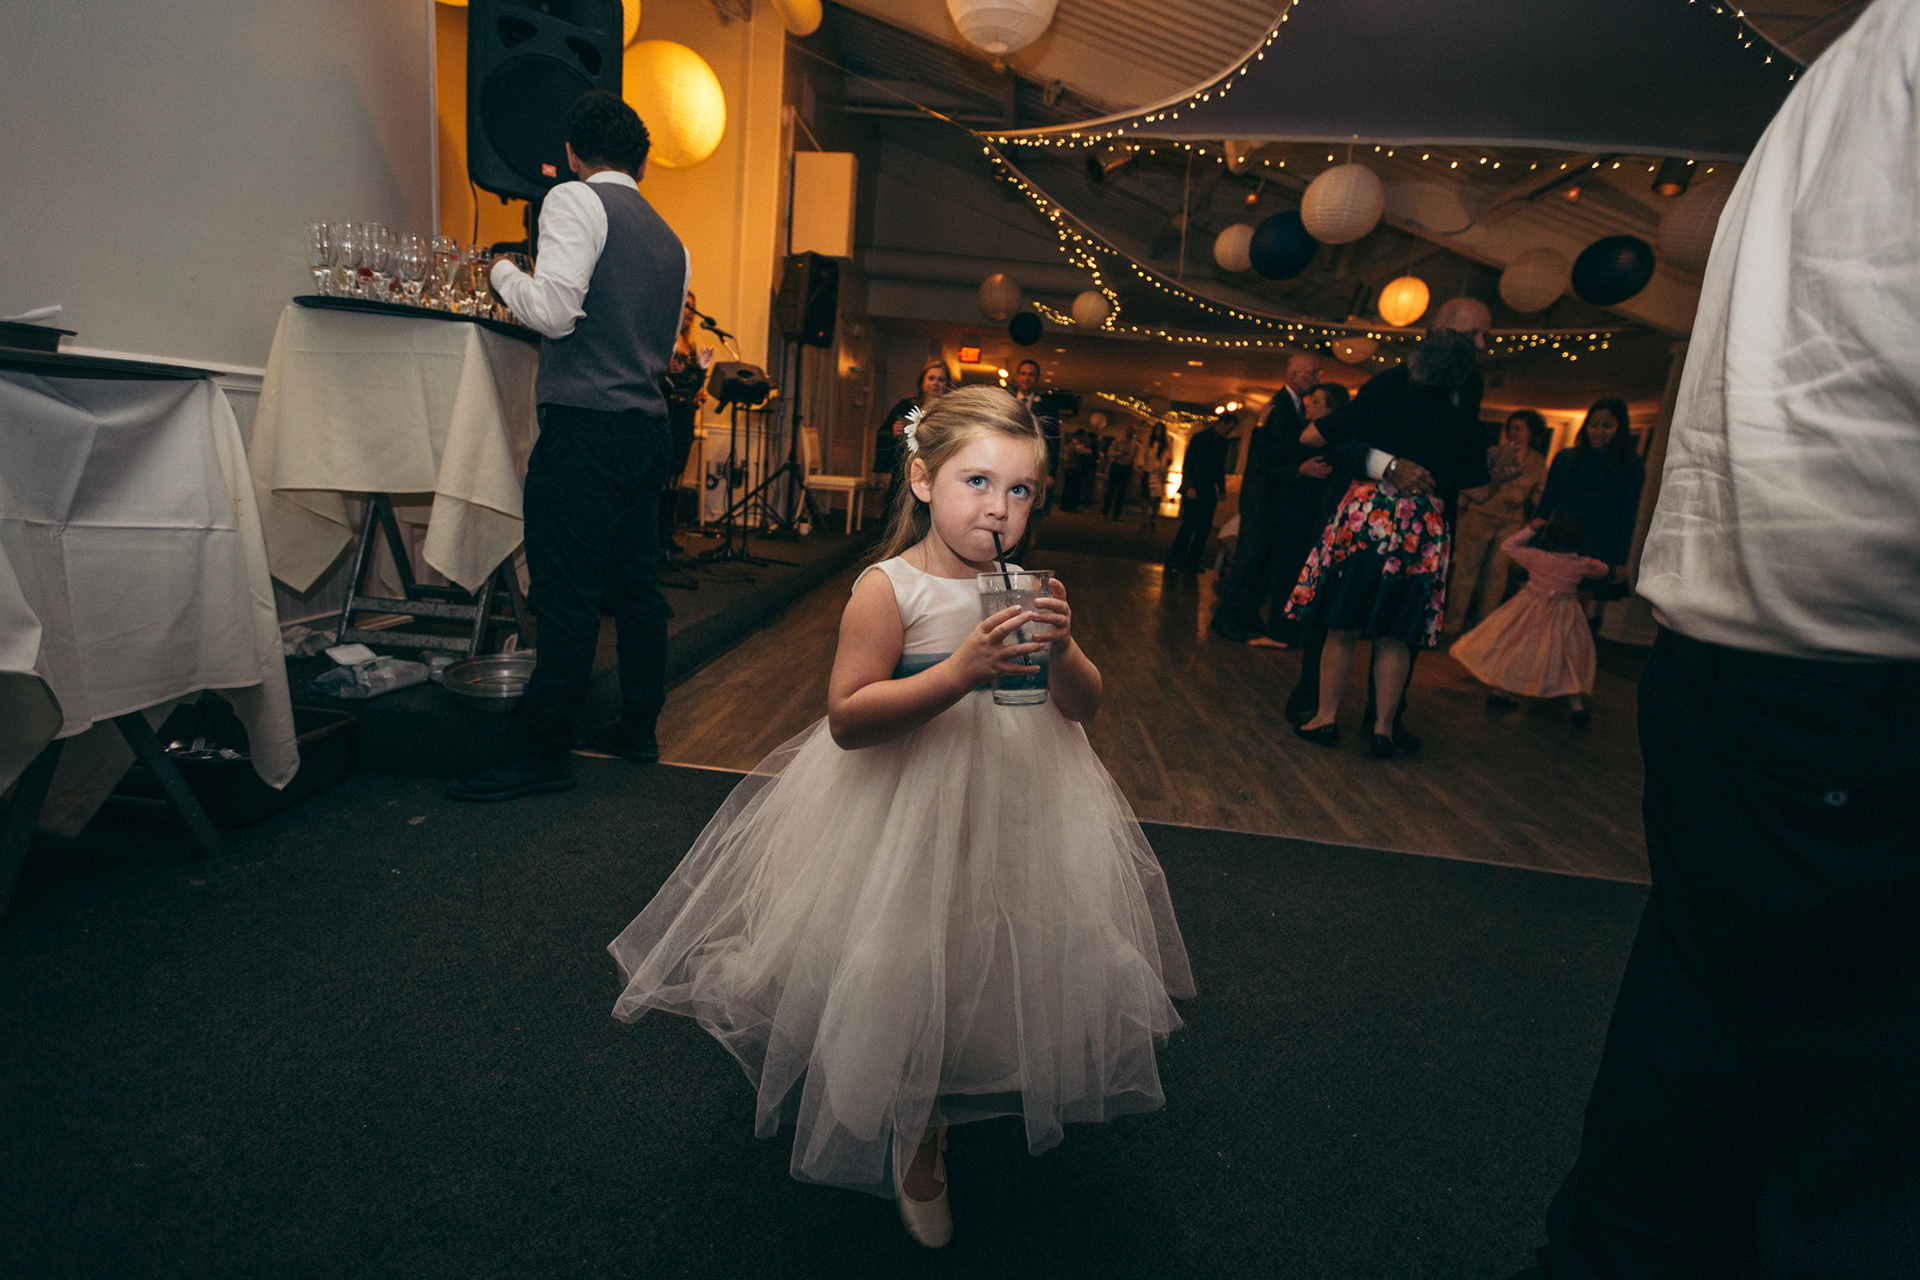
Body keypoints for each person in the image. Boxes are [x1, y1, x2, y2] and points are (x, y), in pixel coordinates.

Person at [1514, 4, 1920, 1275]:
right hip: (1868, 663)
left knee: (1694, 1083)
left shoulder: (1857, 59)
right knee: (1859, 1155)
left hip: (1745, 661)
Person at [606, 386, 1193, 1249]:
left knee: (986, 946)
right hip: (901, 807)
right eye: (976, 481)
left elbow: (1083, 707)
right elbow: (849, 719)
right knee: (903, 951)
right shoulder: (889, 589)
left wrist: (1063, 647)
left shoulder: (1024, 587)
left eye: (1021, 490)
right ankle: (914, 1122)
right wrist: (958, 672)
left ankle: (951, 1078)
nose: (999, 508)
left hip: (1015, 801)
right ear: (922, 480)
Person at [449, 91, 687, 801]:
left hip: (587, 429)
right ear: (641, 162)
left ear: (574, 153)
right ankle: (638, 727)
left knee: (566, 596)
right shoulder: (671, 241)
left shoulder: (575, 199)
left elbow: (555, 313)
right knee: (637, 590)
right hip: (647, 431)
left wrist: (500, 269)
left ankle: (544, 753)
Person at [1284, 299, 1501, 759]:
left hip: (1371, 518)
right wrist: (1386, 464)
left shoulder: (1458, 388)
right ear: (1440, 331)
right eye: (1474, 334)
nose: (1483, 344)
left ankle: (1346, 717)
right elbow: (1477, 485)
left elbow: (1315, 436)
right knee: (1390, 629)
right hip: (1420, 525)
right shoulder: (1392, 384)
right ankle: (1359, 719)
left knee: (1346, 620)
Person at [1446, 513, 1609, 726]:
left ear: (1549, 537)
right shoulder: (1581, 564)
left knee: (1518, 650)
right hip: (1564, 615)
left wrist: (1530, 529)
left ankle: (1501, 693)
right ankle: (1577, 707)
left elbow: (1508, 546)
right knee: (1565, 657)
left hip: (1529, 611)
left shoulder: (1535, 557)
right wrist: (1582, 556)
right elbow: (1603, 570)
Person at [1211, 353, 1321, 642]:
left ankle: (1246, 614)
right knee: (1249, 557)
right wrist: (1299, 469)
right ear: (1294, 374)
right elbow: (1268, 457)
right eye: (1312, 373)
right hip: (1262, 497)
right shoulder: (1280, 406)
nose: (1317, 378)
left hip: (1273, 498)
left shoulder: (1291, 406)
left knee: (1260, 561)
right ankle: (1225, 617)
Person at [1248, 380, 1350, 650]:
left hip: (1300, 516)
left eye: (1316, 402)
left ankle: (1281, 634)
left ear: (1331, 409)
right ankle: (1289, 633)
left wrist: (1261, 425)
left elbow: (1272, 453)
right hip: (1307, 516)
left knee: (1286, 573)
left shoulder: (1317, 439)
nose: (1309, 405)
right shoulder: (1331, 439)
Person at [1534, 398, 1644, 620]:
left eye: (1607, 426)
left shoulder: (1630, 466)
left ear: (1620, 428)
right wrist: (1534, 537)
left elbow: (1627, 514)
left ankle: (1570, 642)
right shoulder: (1565, 458)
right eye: (1593, 425)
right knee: (1544, 599)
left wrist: (1621, 561)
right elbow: (1547, 502)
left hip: (1598, 540)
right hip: (1562, 537)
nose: (1599, 432)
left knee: (1577, 606)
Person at [1444, 409, 1547, 633]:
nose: (1513, 432)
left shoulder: (1538, 463)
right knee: (1467, 570)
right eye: (1511, 428)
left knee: (1497, 574)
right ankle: (1453, 622)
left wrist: (1544, 516)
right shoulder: (1493, 452)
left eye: (1519, 428)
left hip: (1511, 521)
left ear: (1531, 432)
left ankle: (1485, 627)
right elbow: (1473, 482)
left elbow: (1540, 493)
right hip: (1481, 515)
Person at [657, 292, 714, 555]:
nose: (690, 311)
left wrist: (701, 371)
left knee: (677, 479)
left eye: (693, 307)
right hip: (667, 416)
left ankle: (667, 534)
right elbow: (661, 379)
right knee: (662, 478)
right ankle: (656, 538)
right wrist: (669, 370)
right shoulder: (666, 339)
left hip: (684, 419)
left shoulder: (690, 345)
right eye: (686, 306)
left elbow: (691, 388)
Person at [876, 361, 952, 513]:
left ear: (947, 384)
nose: (935, 383)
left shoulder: (950, 410)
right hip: (903, 470)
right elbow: (884, 432)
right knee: (896, 510)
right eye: (931, 378)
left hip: (934, 468)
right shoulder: (906, 406)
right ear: (923, 381)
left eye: (941, 379)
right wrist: (894, 431)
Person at [1164, 412, 1231, 572]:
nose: (1229, 432)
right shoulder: (1200, 438)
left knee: (1204, 529)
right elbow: (1189, 463)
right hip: (1196, 487)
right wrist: (1189, 486)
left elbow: (1219, 468)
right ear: (1221, 424)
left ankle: (1191, 562)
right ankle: (1175, 559)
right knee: (1188, 525)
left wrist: (1222, 488)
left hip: (1208, 489)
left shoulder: (1223, 442)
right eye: (1228, 428)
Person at [1136, 421, 1173, 531]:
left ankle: (1153, 520)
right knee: (1145, 497)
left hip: (1159, 474)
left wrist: (1168, 462)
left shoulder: (1166, 443)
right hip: (1148, 471)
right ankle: (1143, 519)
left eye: (1160, 429)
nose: (1158, 431)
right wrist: (1140, 467)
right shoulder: (1148, 441)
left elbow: (1169, 455)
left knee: (1157, 498)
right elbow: (1141, 454)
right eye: (1156, 429)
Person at [1102, 424, 1137, 519]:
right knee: (1110, 490)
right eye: (1129, 431)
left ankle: (1117, 513)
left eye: (1132, 432)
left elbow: (1136, 457)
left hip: (1126, 468)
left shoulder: (1135, 444)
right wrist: (1119, 453)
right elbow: (1110, 452)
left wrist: (1132, 461)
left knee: (1122, 491)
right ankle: (1105, 512)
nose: (1130, 433)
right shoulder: (1119, 440)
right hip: (1116, 466)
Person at [1058, 428, 1095, 512]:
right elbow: (1088, 452)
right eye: (1084, 436)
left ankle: (1065, 506)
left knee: (1068, 488)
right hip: (1073, 468)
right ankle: (1070, 507)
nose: (1085, 438)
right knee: (1073, 488)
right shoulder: (1076, 444)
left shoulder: (1072, 443)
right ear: (1080, 436)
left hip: (1070, 467)